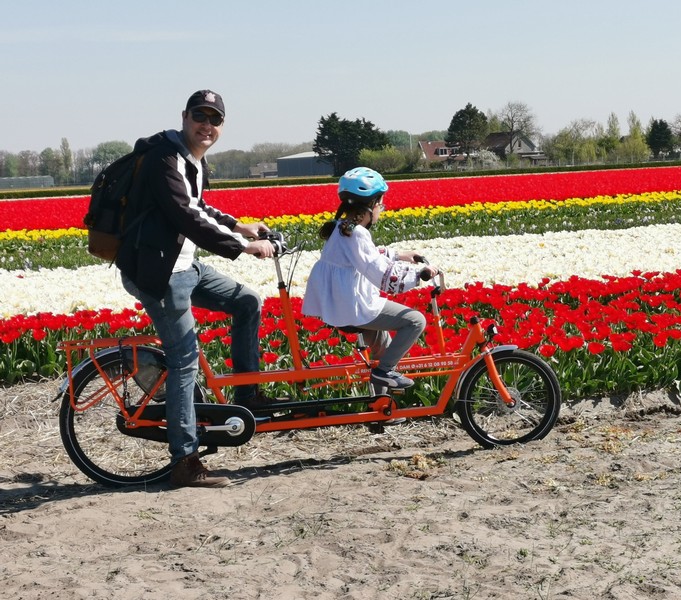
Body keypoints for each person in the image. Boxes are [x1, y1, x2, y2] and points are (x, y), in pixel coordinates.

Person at [115, 90, 276, 488]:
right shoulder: (163, 158)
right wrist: (242, 246)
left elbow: (199, 204)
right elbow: (186, 215)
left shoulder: (192, 161)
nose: (207, 126)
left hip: (184, 265)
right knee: (185, 359)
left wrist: (239, 225)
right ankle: (185, 462)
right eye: (200, 117)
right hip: (160, 273)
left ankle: (247, 397)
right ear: (184, 117)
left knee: (247, 302)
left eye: (215, 119)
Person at [302, 167, 438, 391]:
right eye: (381, 203)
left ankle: (380, 408)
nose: (382, 209)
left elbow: (366, 256)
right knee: (415, 320)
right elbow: (382, 274)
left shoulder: (342, 228)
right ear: (370, 205)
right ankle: (385, 371)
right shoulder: (356, 233)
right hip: (353, 306)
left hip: (340, 304)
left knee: (382, 347)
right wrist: (420, 274)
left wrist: (399, 255)